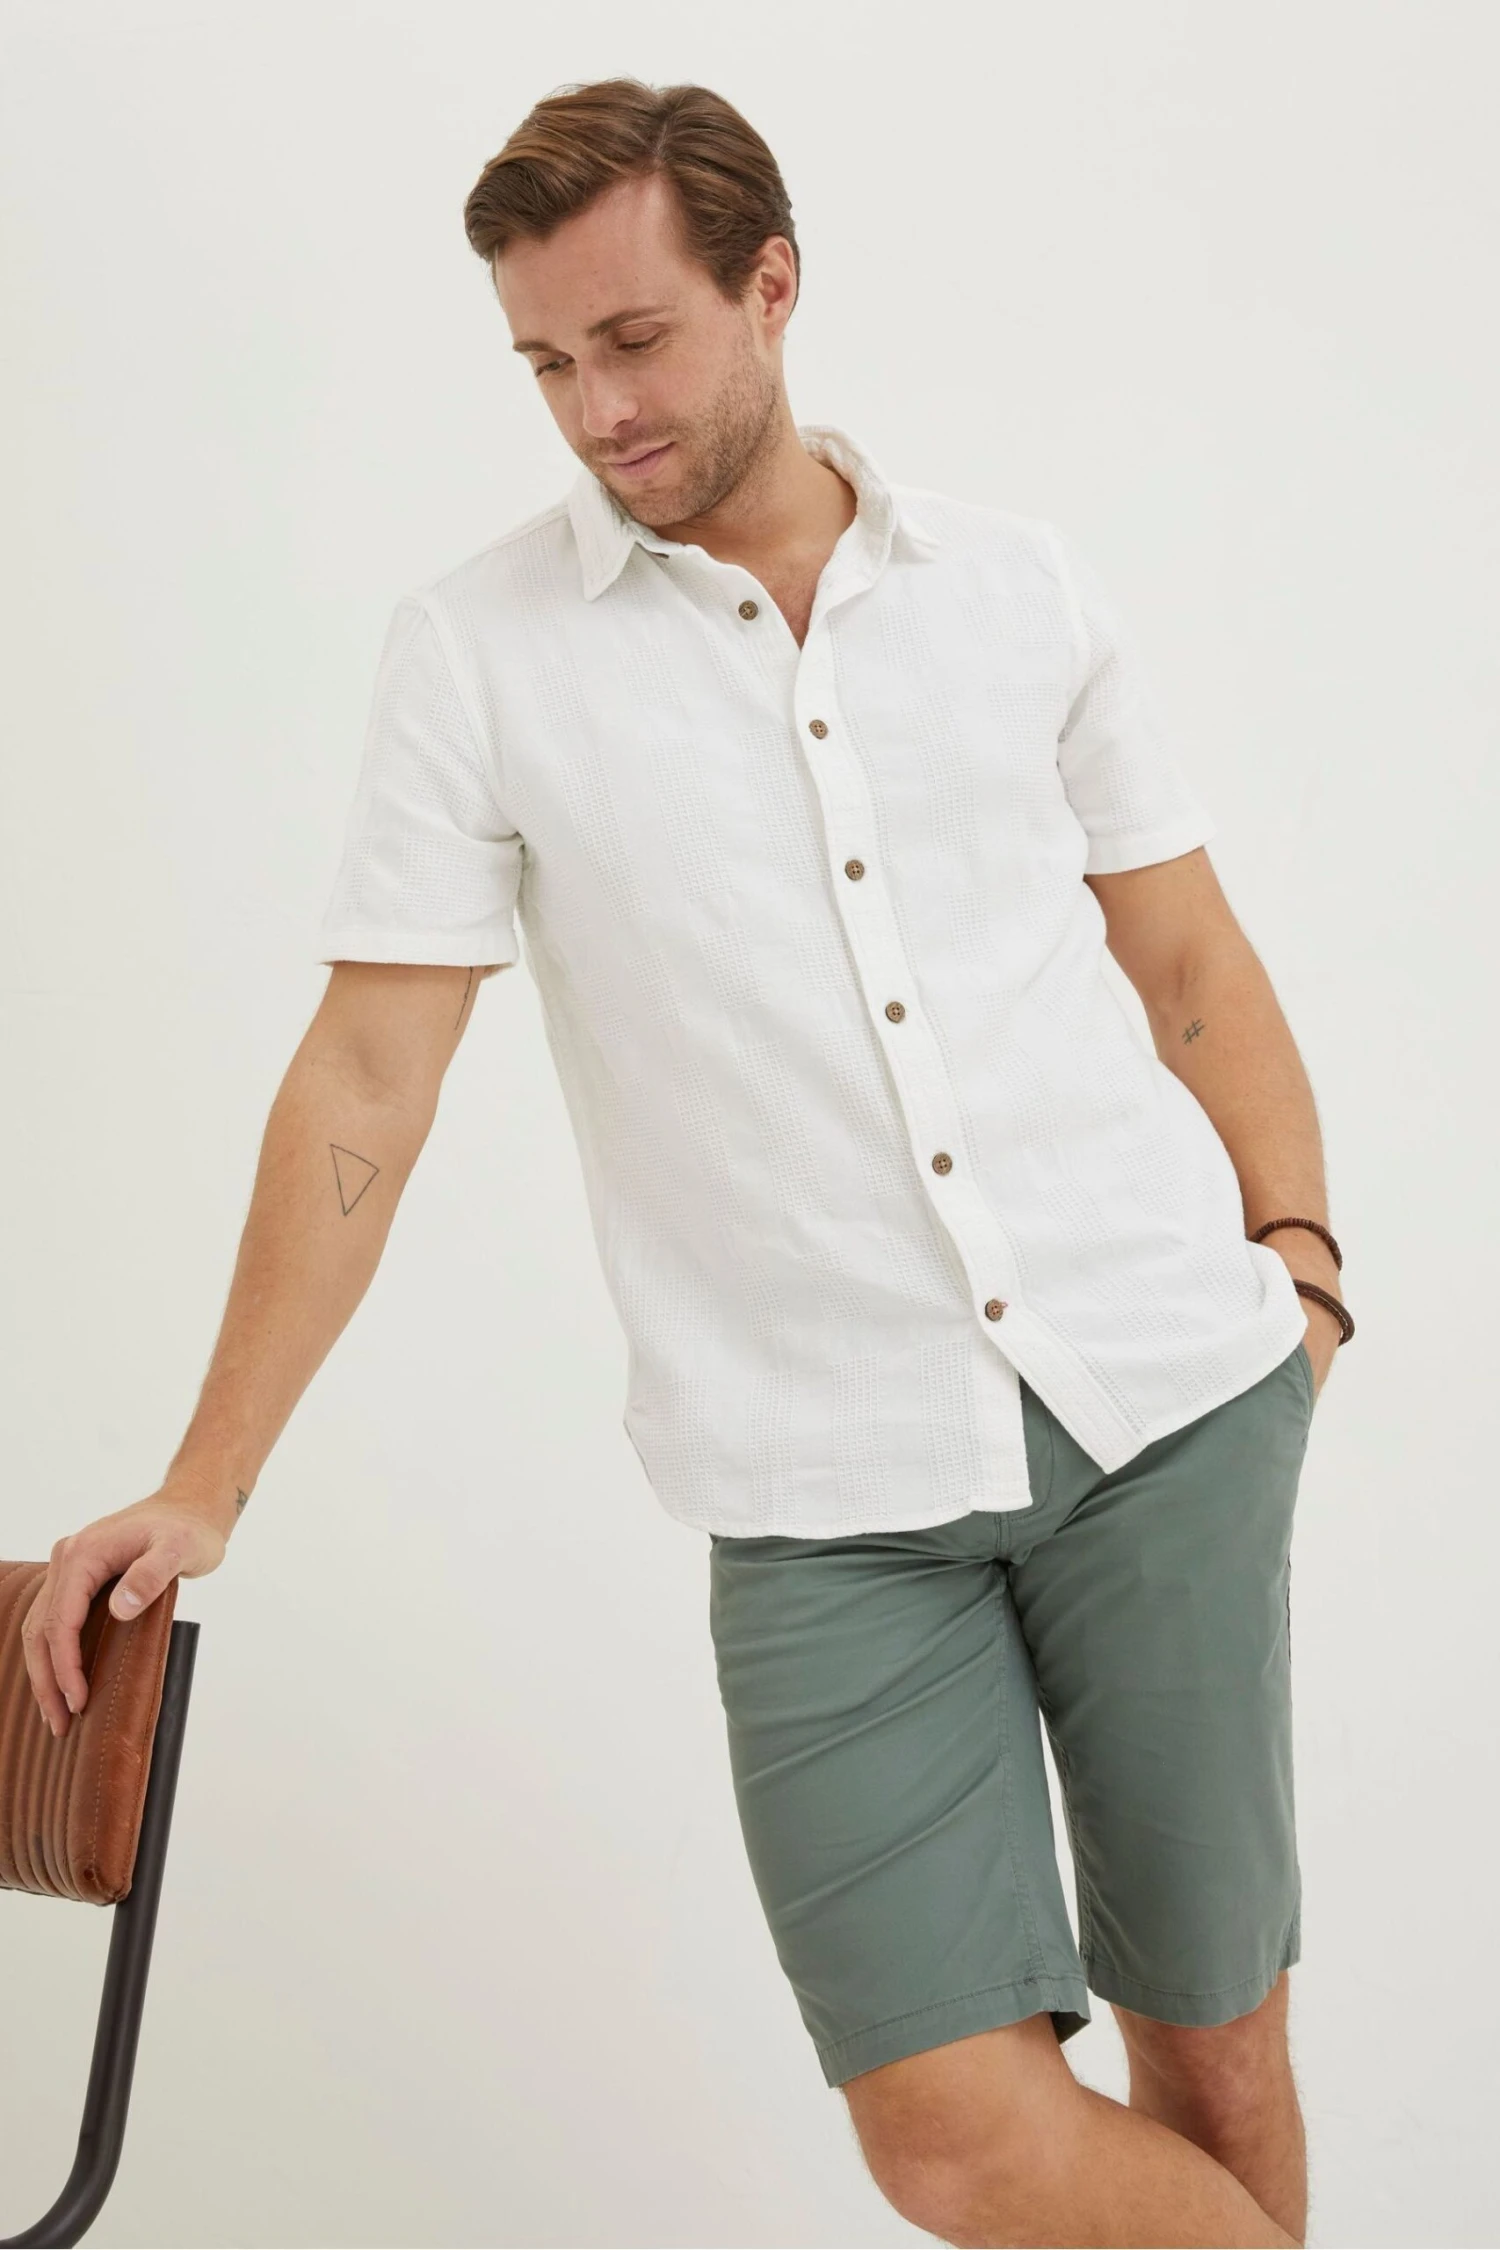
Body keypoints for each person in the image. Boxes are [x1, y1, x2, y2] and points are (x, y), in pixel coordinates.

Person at [23, 74, 1353, 2249]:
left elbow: (1189, 957)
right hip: (822, 1499)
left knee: (1215, 2047)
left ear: (773, 284)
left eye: (633, 340)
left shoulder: (1016, 587)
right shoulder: (478, 654)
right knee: (951, 2131)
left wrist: (1301, 1271)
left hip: (1170, 1408)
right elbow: (368, 1075)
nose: (596, 410)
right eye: (547, 364)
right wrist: (209, 1477)